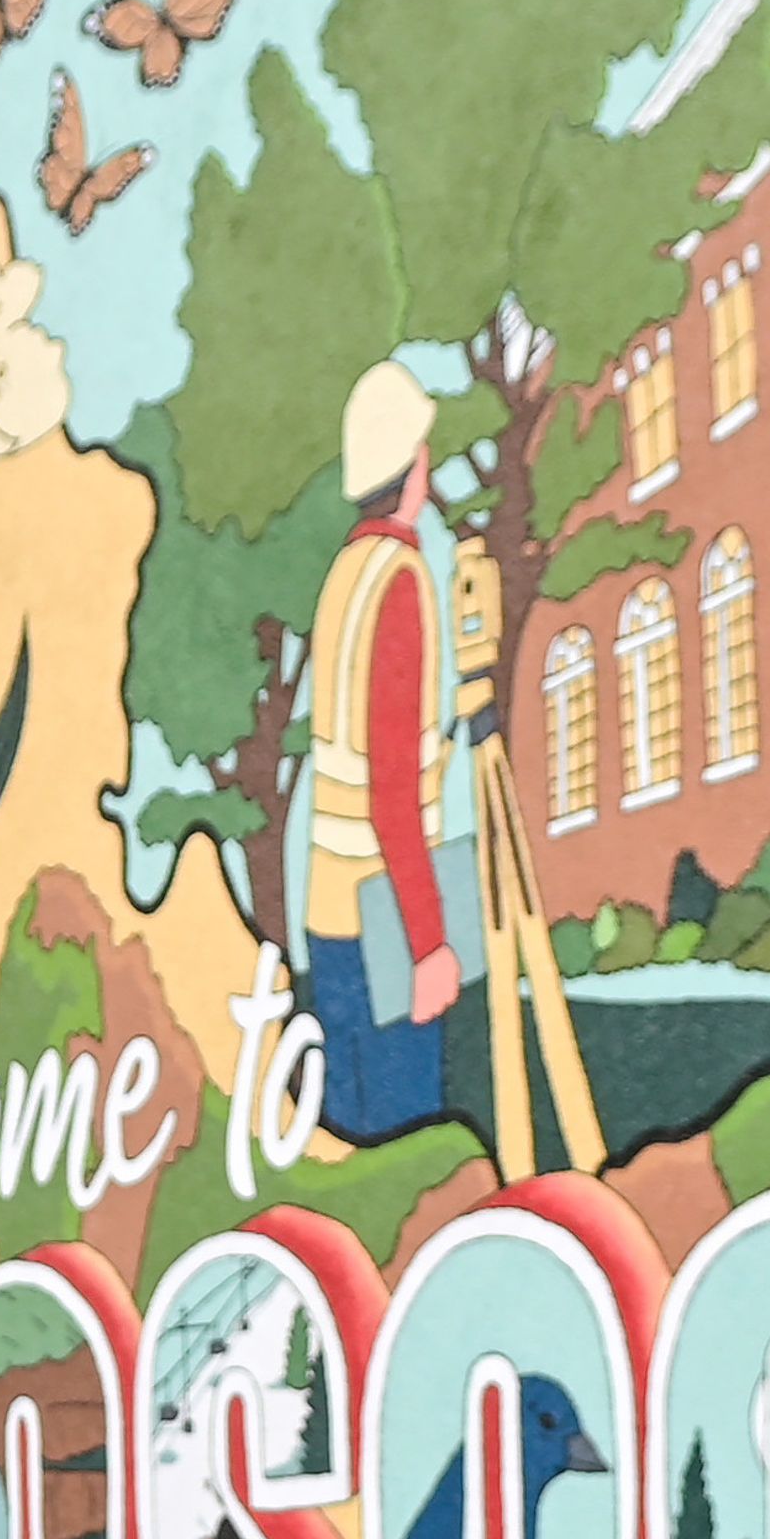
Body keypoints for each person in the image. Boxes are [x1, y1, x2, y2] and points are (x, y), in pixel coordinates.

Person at [300, 360, 463, 1137]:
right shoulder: (401, 578)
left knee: (351, 1145)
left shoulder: (345, 575)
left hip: (329, 912)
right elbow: (392, 788)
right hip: (385, 916)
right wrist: (430, 944)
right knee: (408, 1155)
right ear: (414, 467)